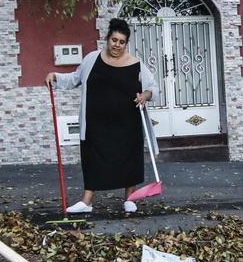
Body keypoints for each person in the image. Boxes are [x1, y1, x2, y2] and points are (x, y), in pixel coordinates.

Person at [46, 18, 159, 214]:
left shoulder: (136, 64)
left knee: (128, 159)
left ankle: (130, 198)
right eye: (114, 40)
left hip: (127, 124)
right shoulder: (92, 59)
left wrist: (145, 96)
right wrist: (55, 76)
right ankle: (86, 201)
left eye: (122, 42)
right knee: (92, 159)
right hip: (96, 124)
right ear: (107, 39)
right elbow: (75, 78)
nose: (117, 45)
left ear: (126, 44)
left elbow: (152, 88)